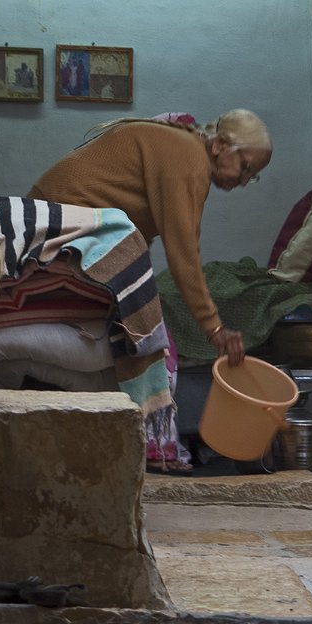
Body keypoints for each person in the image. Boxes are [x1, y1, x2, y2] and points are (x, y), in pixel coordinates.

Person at [28, 109, 272, 470]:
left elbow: (157, 240)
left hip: (59, 222)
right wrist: (214, 327)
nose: (244, 180)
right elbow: (183, 251)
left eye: (253, 175)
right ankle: (154, 443)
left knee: (144, 316)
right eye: (245, 167)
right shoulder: (189, 157)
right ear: (221, 145)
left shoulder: (184, 149)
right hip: (55, 228)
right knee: (150, 334)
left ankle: (147, 441)